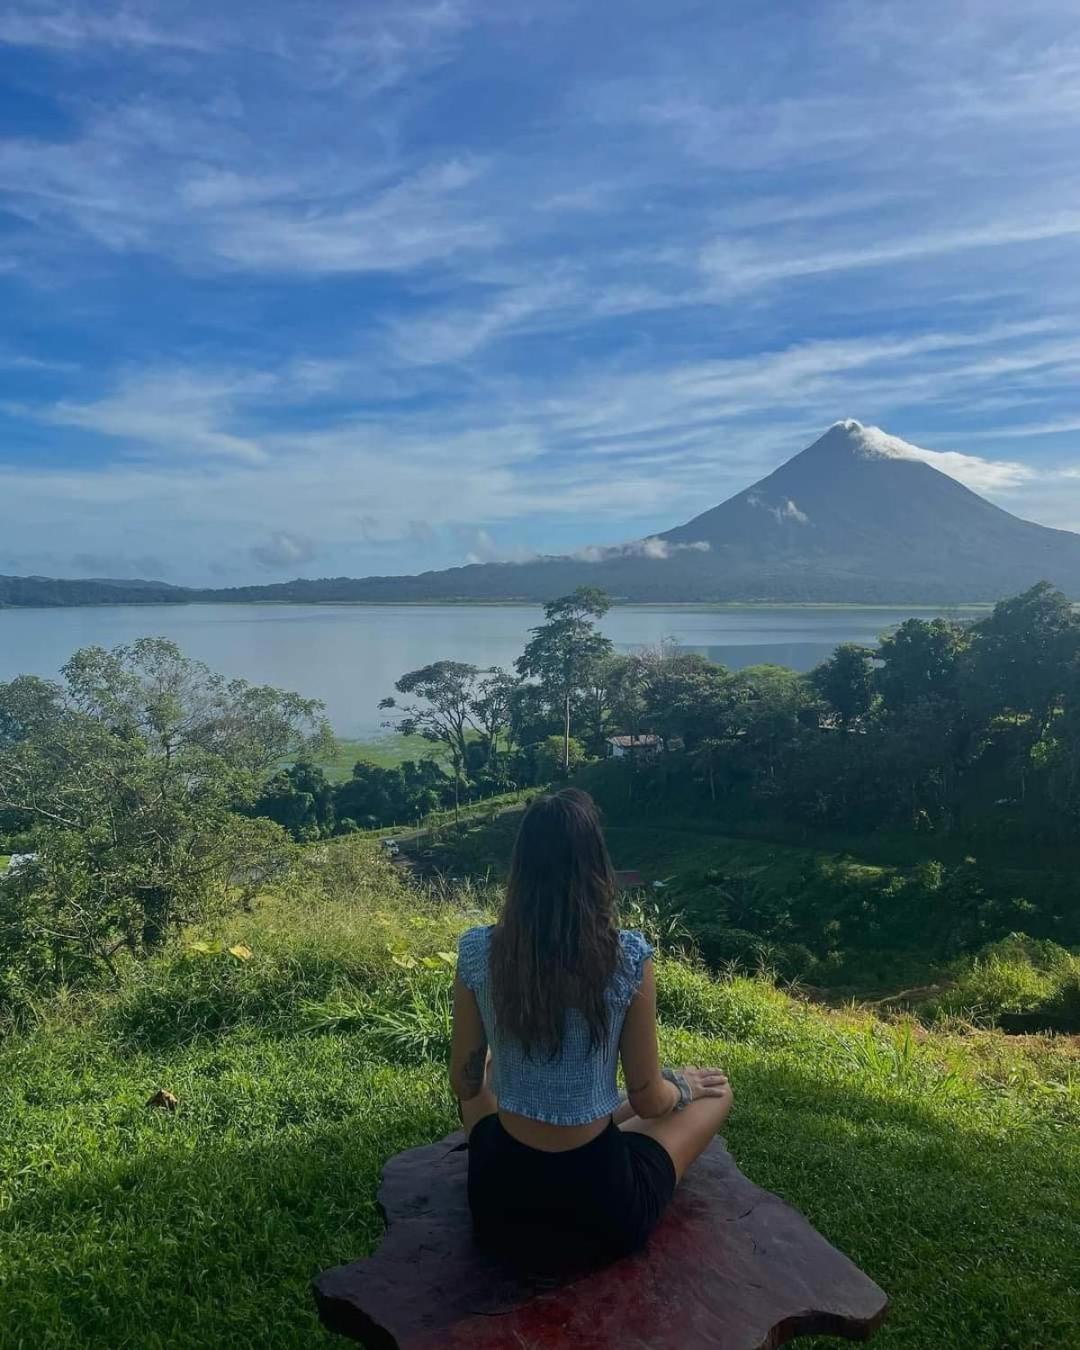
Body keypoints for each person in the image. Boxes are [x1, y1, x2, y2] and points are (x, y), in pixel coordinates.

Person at [450, 787, 733, 1270]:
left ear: (521, 867)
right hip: (599, 1210)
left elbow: (464, 1084)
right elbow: (649, 1100)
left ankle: (572, 1117)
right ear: (596, 865)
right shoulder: (626, 958)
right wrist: (681, 1086)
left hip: (500, 1205)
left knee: (490, 1069)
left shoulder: (478, 951)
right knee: (718, 1095)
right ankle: (600, 1118)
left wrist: (501, 1065)